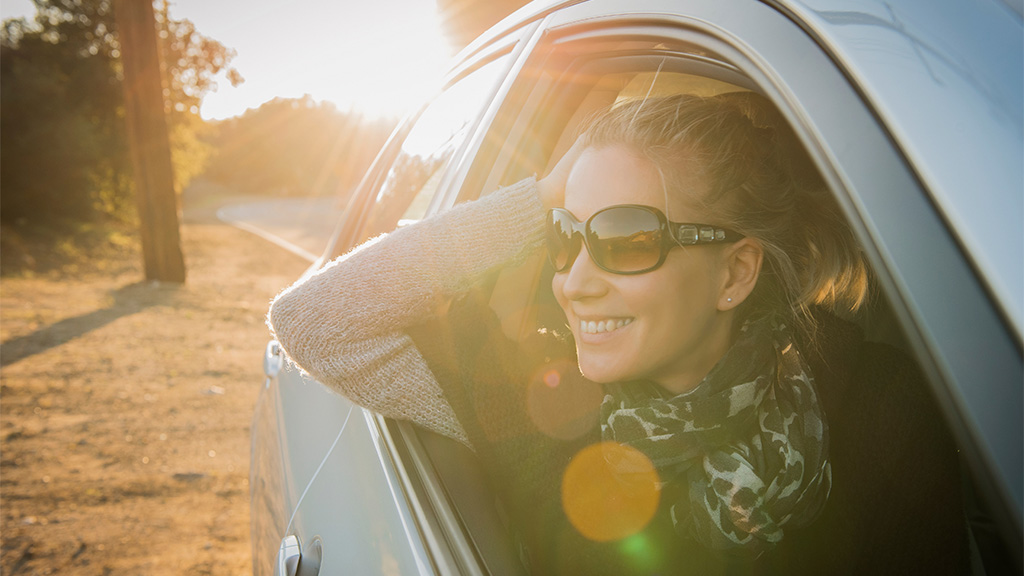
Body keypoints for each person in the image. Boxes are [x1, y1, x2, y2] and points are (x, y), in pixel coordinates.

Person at [268, 93, 968, 574]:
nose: (572, 281)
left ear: (735, 275)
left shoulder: (882, 403)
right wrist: (540, 195)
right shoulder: (536, 406)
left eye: (626, 238)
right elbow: (314, 320)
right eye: (566, 236)